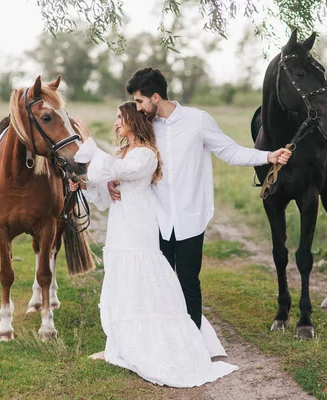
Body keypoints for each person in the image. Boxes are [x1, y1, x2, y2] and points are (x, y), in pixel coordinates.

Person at [105, 67, 292, 330]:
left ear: (155, 97)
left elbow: (230, 151)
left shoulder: (198, 121)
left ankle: (193, 338)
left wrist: (268, 156)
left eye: (140, 100)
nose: (139, 107)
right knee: (158, 281)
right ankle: (162, 336)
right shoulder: (147, 126)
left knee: (189, 282)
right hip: (156, 217)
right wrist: (114, 179)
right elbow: (133, 157)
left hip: (190, 217)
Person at [68, 102, 240, 388]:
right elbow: (106, 190)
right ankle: (120, 346)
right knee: (122, 282)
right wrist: (85, 186)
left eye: (120, 119)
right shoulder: (122, 153)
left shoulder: (146, 155)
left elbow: (115, 170)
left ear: (133, 122)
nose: (115, 124)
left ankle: (152, 347)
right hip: (121, 226)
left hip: (139, 227)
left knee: (142, 282)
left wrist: (88, 142)